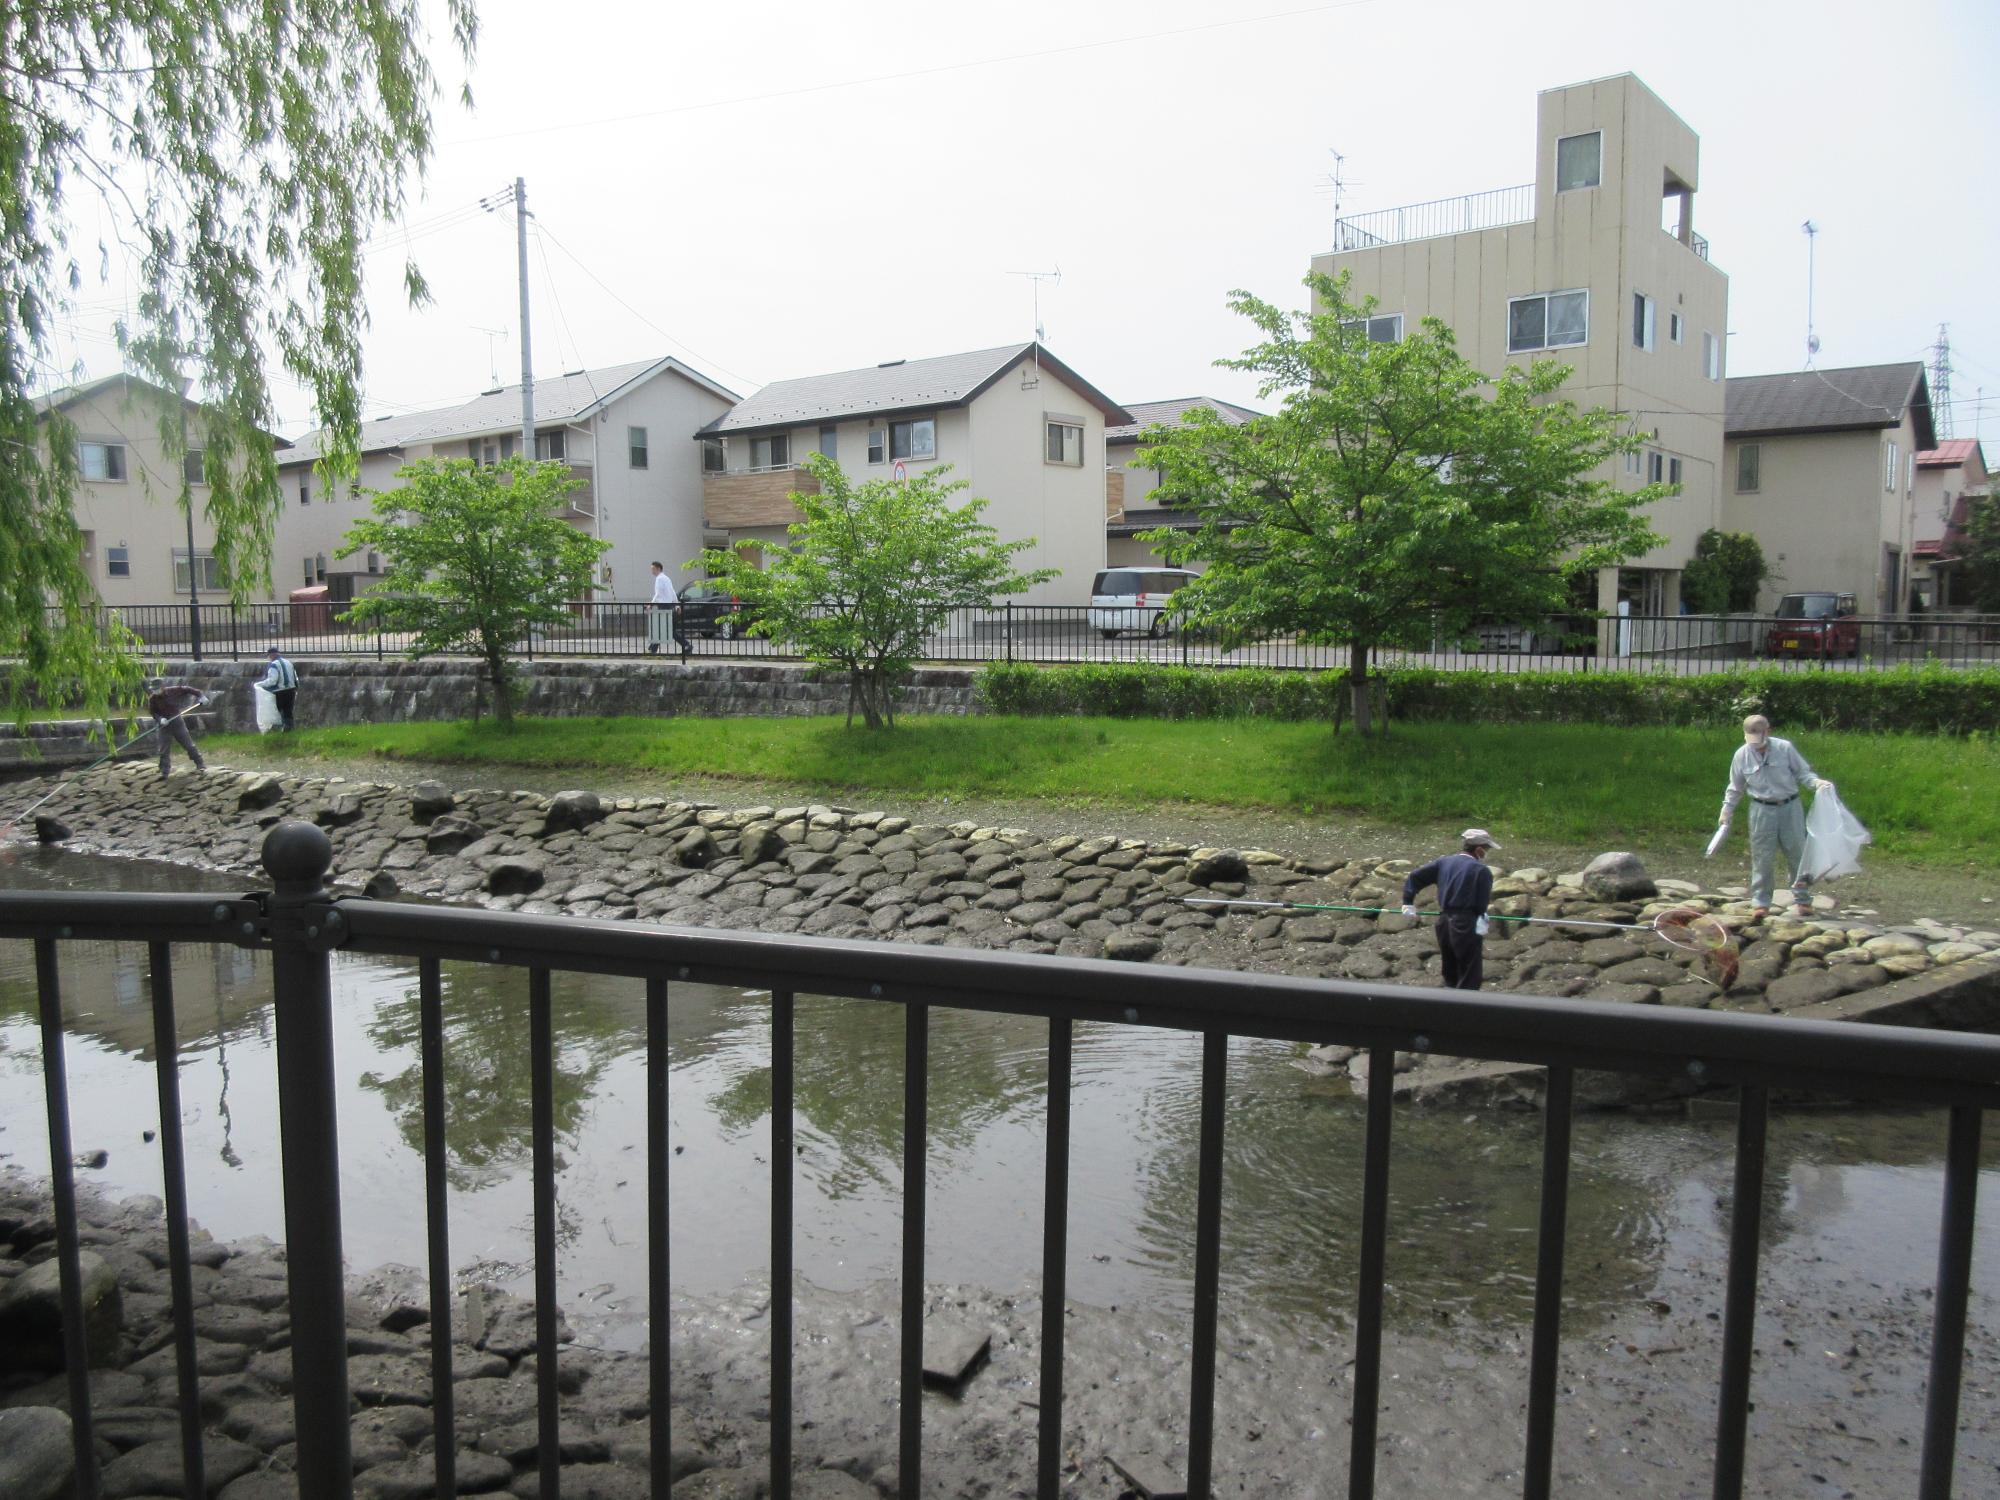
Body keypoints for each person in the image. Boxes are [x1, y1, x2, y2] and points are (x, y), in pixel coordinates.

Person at [1719, 713, 1833, 920]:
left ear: (1768, 732)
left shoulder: (1785, 748)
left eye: (1759, 740)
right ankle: (1761, 902)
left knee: (1797, 853)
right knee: (1762, 857)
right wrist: (1727, 810)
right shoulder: (1741, 755)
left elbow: (1803, 773)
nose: (1756, 745)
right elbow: (1735, 786)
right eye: (1751, 740)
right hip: (1761, 809)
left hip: (1789, 806)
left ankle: (1803, 898)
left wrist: (1816, 783)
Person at [1401, 829, 1499, 991]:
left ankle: (1448, 1003)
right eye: (1486, 849)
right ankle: (1464, 1009)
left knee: (1450, 968)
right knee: (1469, 971)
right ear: (1479, 849)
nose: (1487, 853)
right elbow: (1481, 903)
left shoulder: (1444, 862)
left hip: (1444, 921)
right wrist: (1482, 920)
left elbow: (1415, 876)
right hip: (1465, 923)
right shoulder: (1481, 871)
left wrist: (1408, 902)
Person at [147, 679, 210, 777]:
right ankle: (164, 771)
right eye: (153, 689)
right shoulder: (152, 699)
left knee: (189, 745)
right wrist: (160, 719)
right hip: (164, 725)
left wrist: (201, 696)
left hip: (177, 722)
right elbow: (153, 713)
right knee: (163, 749)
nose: (154, 691)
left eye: (156, 689)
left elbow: (189, 690)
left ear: (162, 687)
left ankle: (200, 764)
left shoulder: (173, 691)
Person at [646, 561, 690, 659]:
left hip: (663, 606)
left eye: (653, 569)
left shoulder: (659, 579)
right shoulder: (666, 578)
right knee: (668, 630)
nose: (652, 571)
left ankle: (652, 649)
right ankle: (686, 645)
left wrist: (651, 604)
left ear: (658, 568)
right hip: (670, 605)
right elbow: (673, 592)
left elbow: (658, 594)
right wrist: (677, 605)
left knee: (662, 628)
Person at [256, 647, 299, 731]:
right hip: (291, 690)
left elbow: (272, 681)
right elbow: (295, 678)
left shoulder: (274, 664)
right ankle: (290, 729)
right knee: (288, 711)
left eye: (269, 656)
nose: (269, 658)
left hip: (280, 692)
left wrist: (259, 684)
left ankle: (281, 730)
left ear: (272, 655)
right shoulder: (289, 662)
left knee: (279, 712)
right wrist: (296, 688)